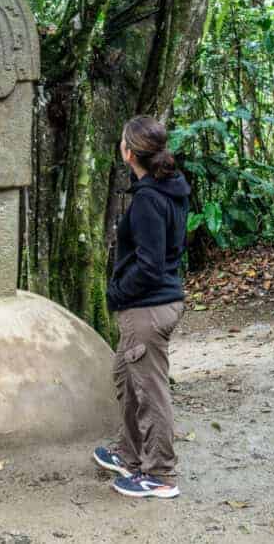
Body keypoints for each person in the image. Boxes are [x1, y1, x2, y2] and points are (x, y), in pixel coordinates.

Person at [93, 115, 190, 499]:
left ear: (128, 152)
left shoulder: (150, 200)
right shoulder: (165, 188)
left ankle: (160, 475)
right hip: (155, 304)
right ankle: (130, 454)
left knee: (150, 392)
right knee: (125, 378)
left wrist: (118, 294)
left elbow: (150, 265)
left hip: (148, 308)